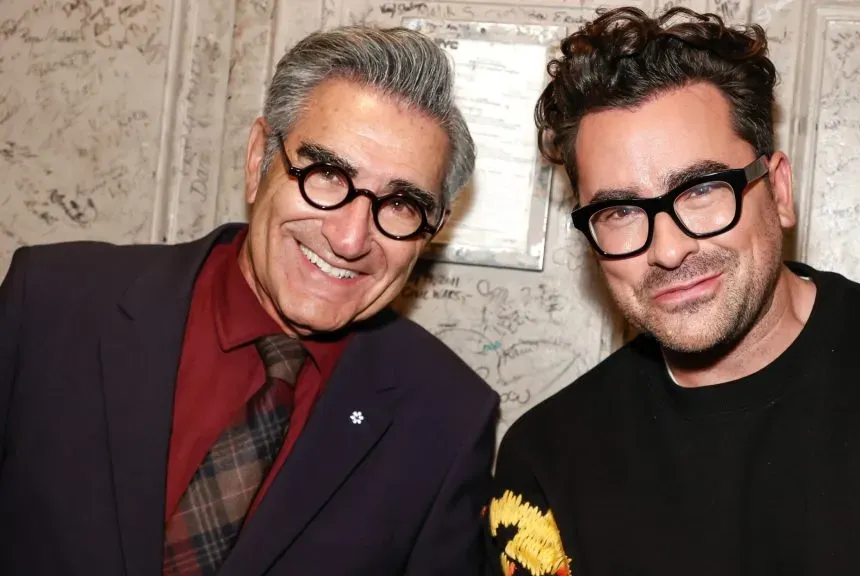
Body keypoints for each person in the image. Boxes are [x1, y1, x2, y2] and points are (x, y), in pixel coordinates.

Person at [487, 6, 860, 575]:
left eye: (700, 190)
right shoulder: (546, 459)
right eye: (619, 211)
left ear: (780, 190)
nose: (668, 250)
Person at [0, 25, 499, 575]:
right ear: (259, 157)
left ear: (432, 229)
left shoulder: (446, 419)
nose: (352, 239)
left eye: (402, 203)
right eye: (328, 174)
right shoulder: (51, 304)